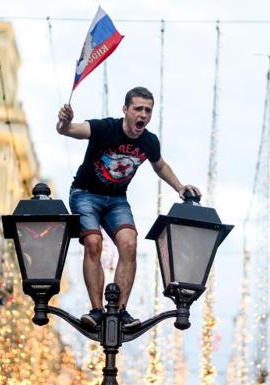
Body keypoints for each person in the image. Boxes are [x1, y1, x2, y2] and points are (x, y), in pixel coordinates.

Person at [56, 86, 201, 329]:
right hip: (86, 194)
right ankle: (96, 311)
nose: (143, 115)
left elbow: (160, 166)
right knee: (93, 242)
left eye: (148, 110)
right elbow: (69, 130)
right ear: (126, 110)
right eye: (138, 109)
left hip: (116, 200)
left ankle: (120, 312)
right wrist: (65, 122)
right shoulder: (105, 128)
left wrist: (179, 187)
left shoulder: (149, 141)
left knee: (129, 243)